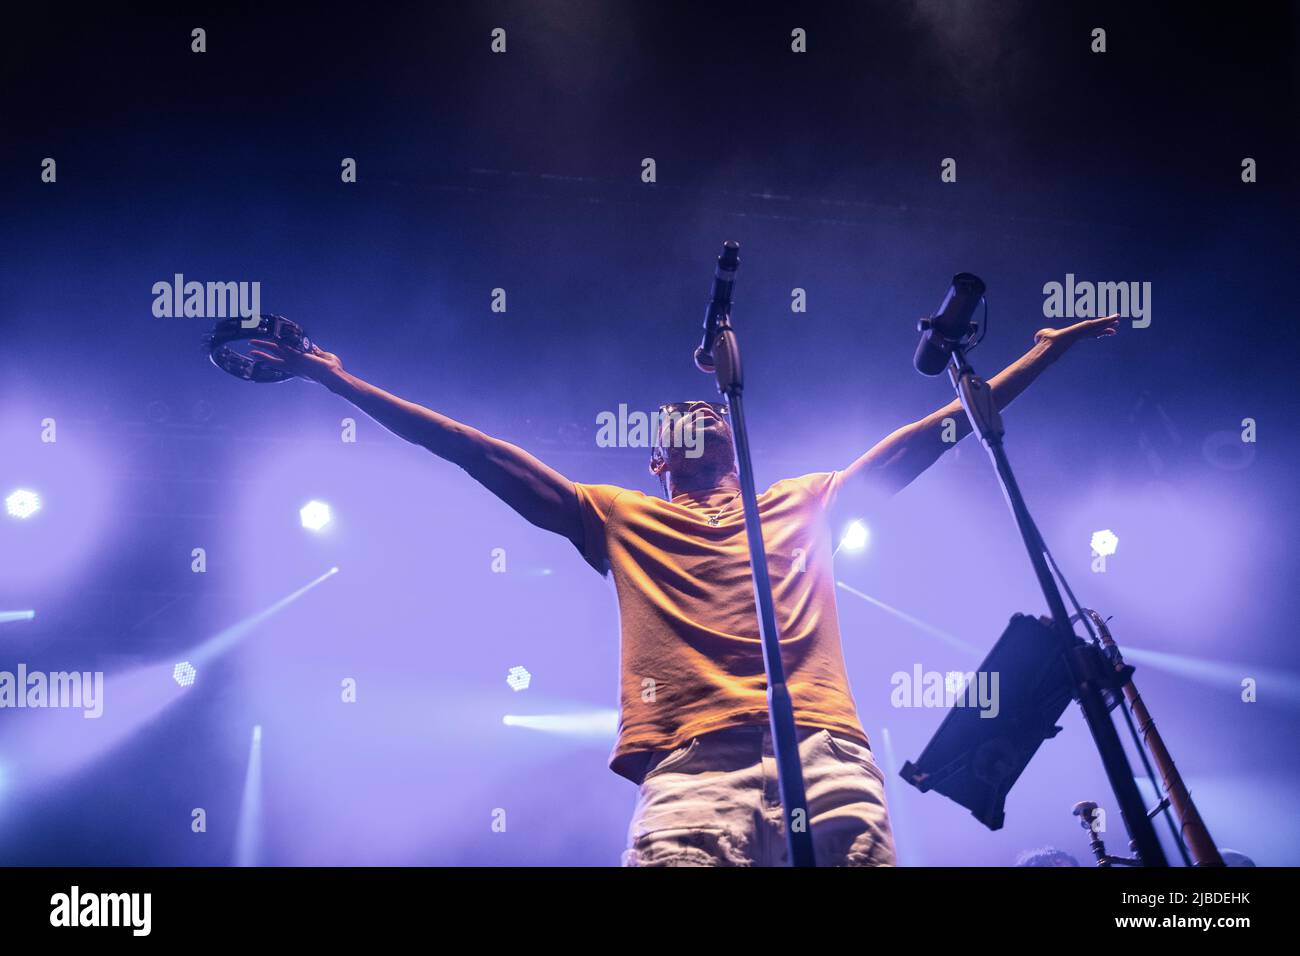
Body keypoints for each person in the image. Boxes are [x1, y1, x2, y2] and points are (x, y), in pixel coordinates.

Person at [249, 312, 1119, 866]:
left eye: (710, 409)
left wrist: (1033, 360)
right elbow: (478, 453)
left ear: (734, 436)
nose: (700, 412)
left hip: (831, 761)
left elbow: (929, 437)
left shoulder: (802, 502)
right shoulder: (619, 515)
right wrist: (337, 379)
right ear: (655, 455)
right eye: (680, 419)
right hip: (693, 769)